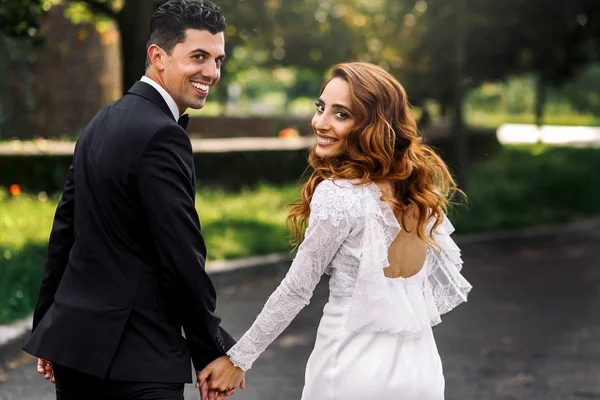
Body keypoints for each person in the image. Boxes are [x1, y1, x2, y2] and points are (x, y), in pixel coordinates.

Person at [199, 62, 472, 399]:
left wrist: (239, 358)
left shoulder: (341, 194)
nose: (320, 123)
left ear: (373, 125)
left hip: (350, 368)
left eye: (341, 114)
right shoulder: (418, 193)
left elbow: (296, 290)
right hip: (422, 371)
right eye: (321, 107)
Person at [22, 1, 244, 399]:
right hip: (139, 359)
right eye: (198, 56)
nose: (212, 71)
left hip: (77, 352)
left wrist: (50, 326)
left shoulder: (102, 120)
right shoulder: (163, 134)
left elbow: (65, 231)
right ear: (157, 56)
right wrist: (211, 349)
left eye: (217, 59)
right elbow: (181, 256)